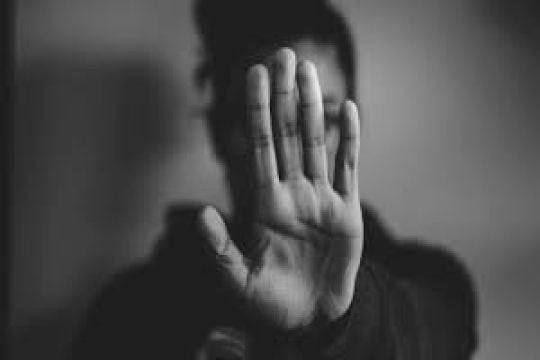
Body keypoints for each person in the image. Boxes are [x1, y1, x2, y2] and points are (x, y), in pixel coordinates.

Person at [71, 0, 478, 359]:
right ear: (217, 134)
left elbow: (429, 335)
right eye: (261, 117)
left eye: (324, 118)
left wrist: (344, 321)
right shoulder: (128, 311)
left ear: (356, 126)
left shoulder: (432, 282)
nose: (298, 147)